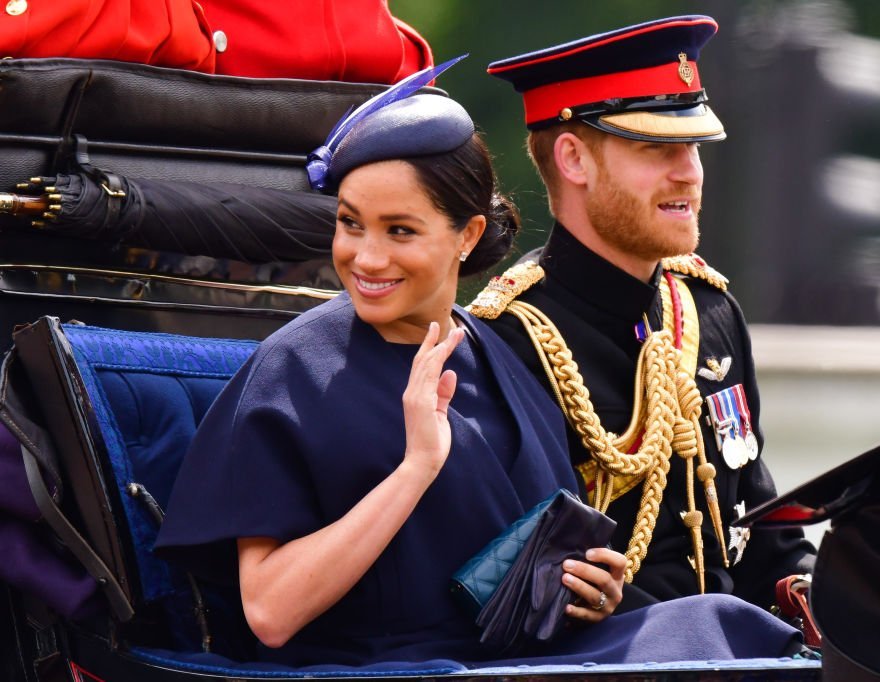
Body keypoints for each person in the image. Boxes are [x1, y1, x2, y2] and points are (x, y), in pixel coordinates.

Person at [155, 59, 803, 668]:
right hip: (386, 672)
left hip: (522, 664)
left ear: (465, 236)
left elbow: (524, 580)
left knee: (732, 631)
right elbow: (268, 611)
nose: (365, 257)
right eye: (351, 225)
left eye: (399, 231)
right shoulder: (297, 367)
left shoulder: (495, 359)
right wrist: (413, 471)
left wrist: (589, 592)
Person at [471, 16, 817, 613]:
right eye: (656, 148)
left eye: (693, 147)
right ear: (574, 159)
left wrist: (819, 589)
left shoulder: (709, 311)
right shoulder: (506, 339)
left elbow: (762, 538)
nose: (688, 171)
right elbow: (512, 585)